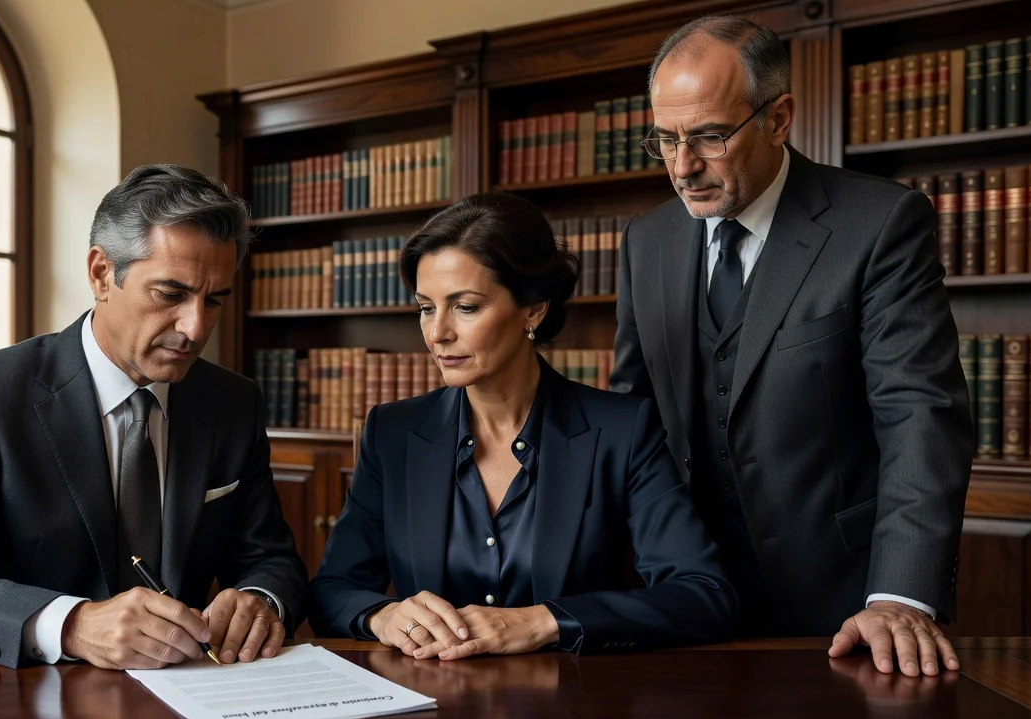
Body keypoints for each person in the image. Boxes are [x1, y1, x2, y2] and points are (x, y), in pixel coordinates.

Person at [611, 16, 973, 677]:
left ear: (779, 119)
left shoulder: (879, 223)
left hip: (839, 611)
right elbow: (629, 420)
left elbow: (919, 412)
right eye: (664, 140)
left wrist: (898, 596)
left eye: (709, 137)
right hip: (681, 601)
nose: (683, 167)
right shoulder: (647, 241)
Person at [0, 164, 307, 670]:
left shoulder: (234, 402)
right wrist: (72, 625)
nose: (194, 328)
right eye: (170, 295)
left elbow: (272, 560)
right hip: (28, 705)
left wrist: (260, 600)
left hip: (195, 697)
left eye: (213, 302)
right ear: (102, 274)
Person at [307, 192, 738, 659]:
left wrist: (544, 620)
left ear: (534, 309)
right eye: (426, 307)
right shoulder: (391, 433)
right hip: (430, 709)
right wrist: (383, 616)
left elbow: (703, 595)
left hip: (573, 710)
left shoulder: (621, 431)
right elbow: (332, 590)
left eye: (465, 307)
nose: (437, 333)